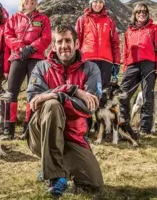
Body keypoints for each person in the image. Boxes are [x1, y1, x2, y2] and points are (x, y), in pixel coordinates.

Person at [26, 25, 103, 196]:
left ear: (76, 44)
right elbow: (34, 99)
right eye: (59, 41)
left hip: (74, 136)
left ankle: (52, 167)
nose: (64, 45)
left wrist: (59, 95)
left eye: (68, 40)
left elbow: (90, 107)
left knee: (94, 184)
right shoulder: (41, 67)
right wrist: (71, 90)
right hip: (41, 135)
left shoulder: (91, 69)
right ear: (53, 46)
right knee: (51, 106)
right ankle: (55, 176)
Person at [4, 0, 51, 140]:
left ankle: (29, 129)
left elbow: (46, 37)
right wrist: (21, 47)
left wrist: (32, 47)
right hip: (18, 56)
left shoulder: (43, 18)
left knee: (33, 93)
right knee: (11, 93)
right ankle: (8, 128)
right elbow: (8, 35)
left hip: (36, 57)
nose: (30, 1)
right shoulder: (14, 18)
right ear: (22, 1)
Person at [75, 0, 121, 131]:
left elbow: (115, 43)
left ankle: (102, 126)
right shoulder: (82, 19)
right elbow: (78, 41)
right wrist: (77, 59)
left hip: (106, 61)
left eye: (100, 2)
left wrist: (116, 62)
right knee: (87, 91)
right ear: (91, 3)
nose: (98, 4)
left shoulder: (109, 21)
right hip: (87, 60)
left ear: (103, 4)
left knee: (104, 94)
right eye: (95, 1)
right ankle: (85, 125)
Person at [119, 3, 157, 135]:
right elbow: (126, 51)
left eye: (144, 12)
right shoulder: (129, 31)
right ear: (135, 14)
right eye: (139, 12)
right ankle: (123, 124)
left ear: (147, 13)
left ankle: (145, 127)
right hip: (132, 65)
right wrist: (126, 67)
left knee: (147, 95)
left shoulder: (155, 29)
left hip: (149, 64)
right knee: (123, 94)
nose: (141, 14)